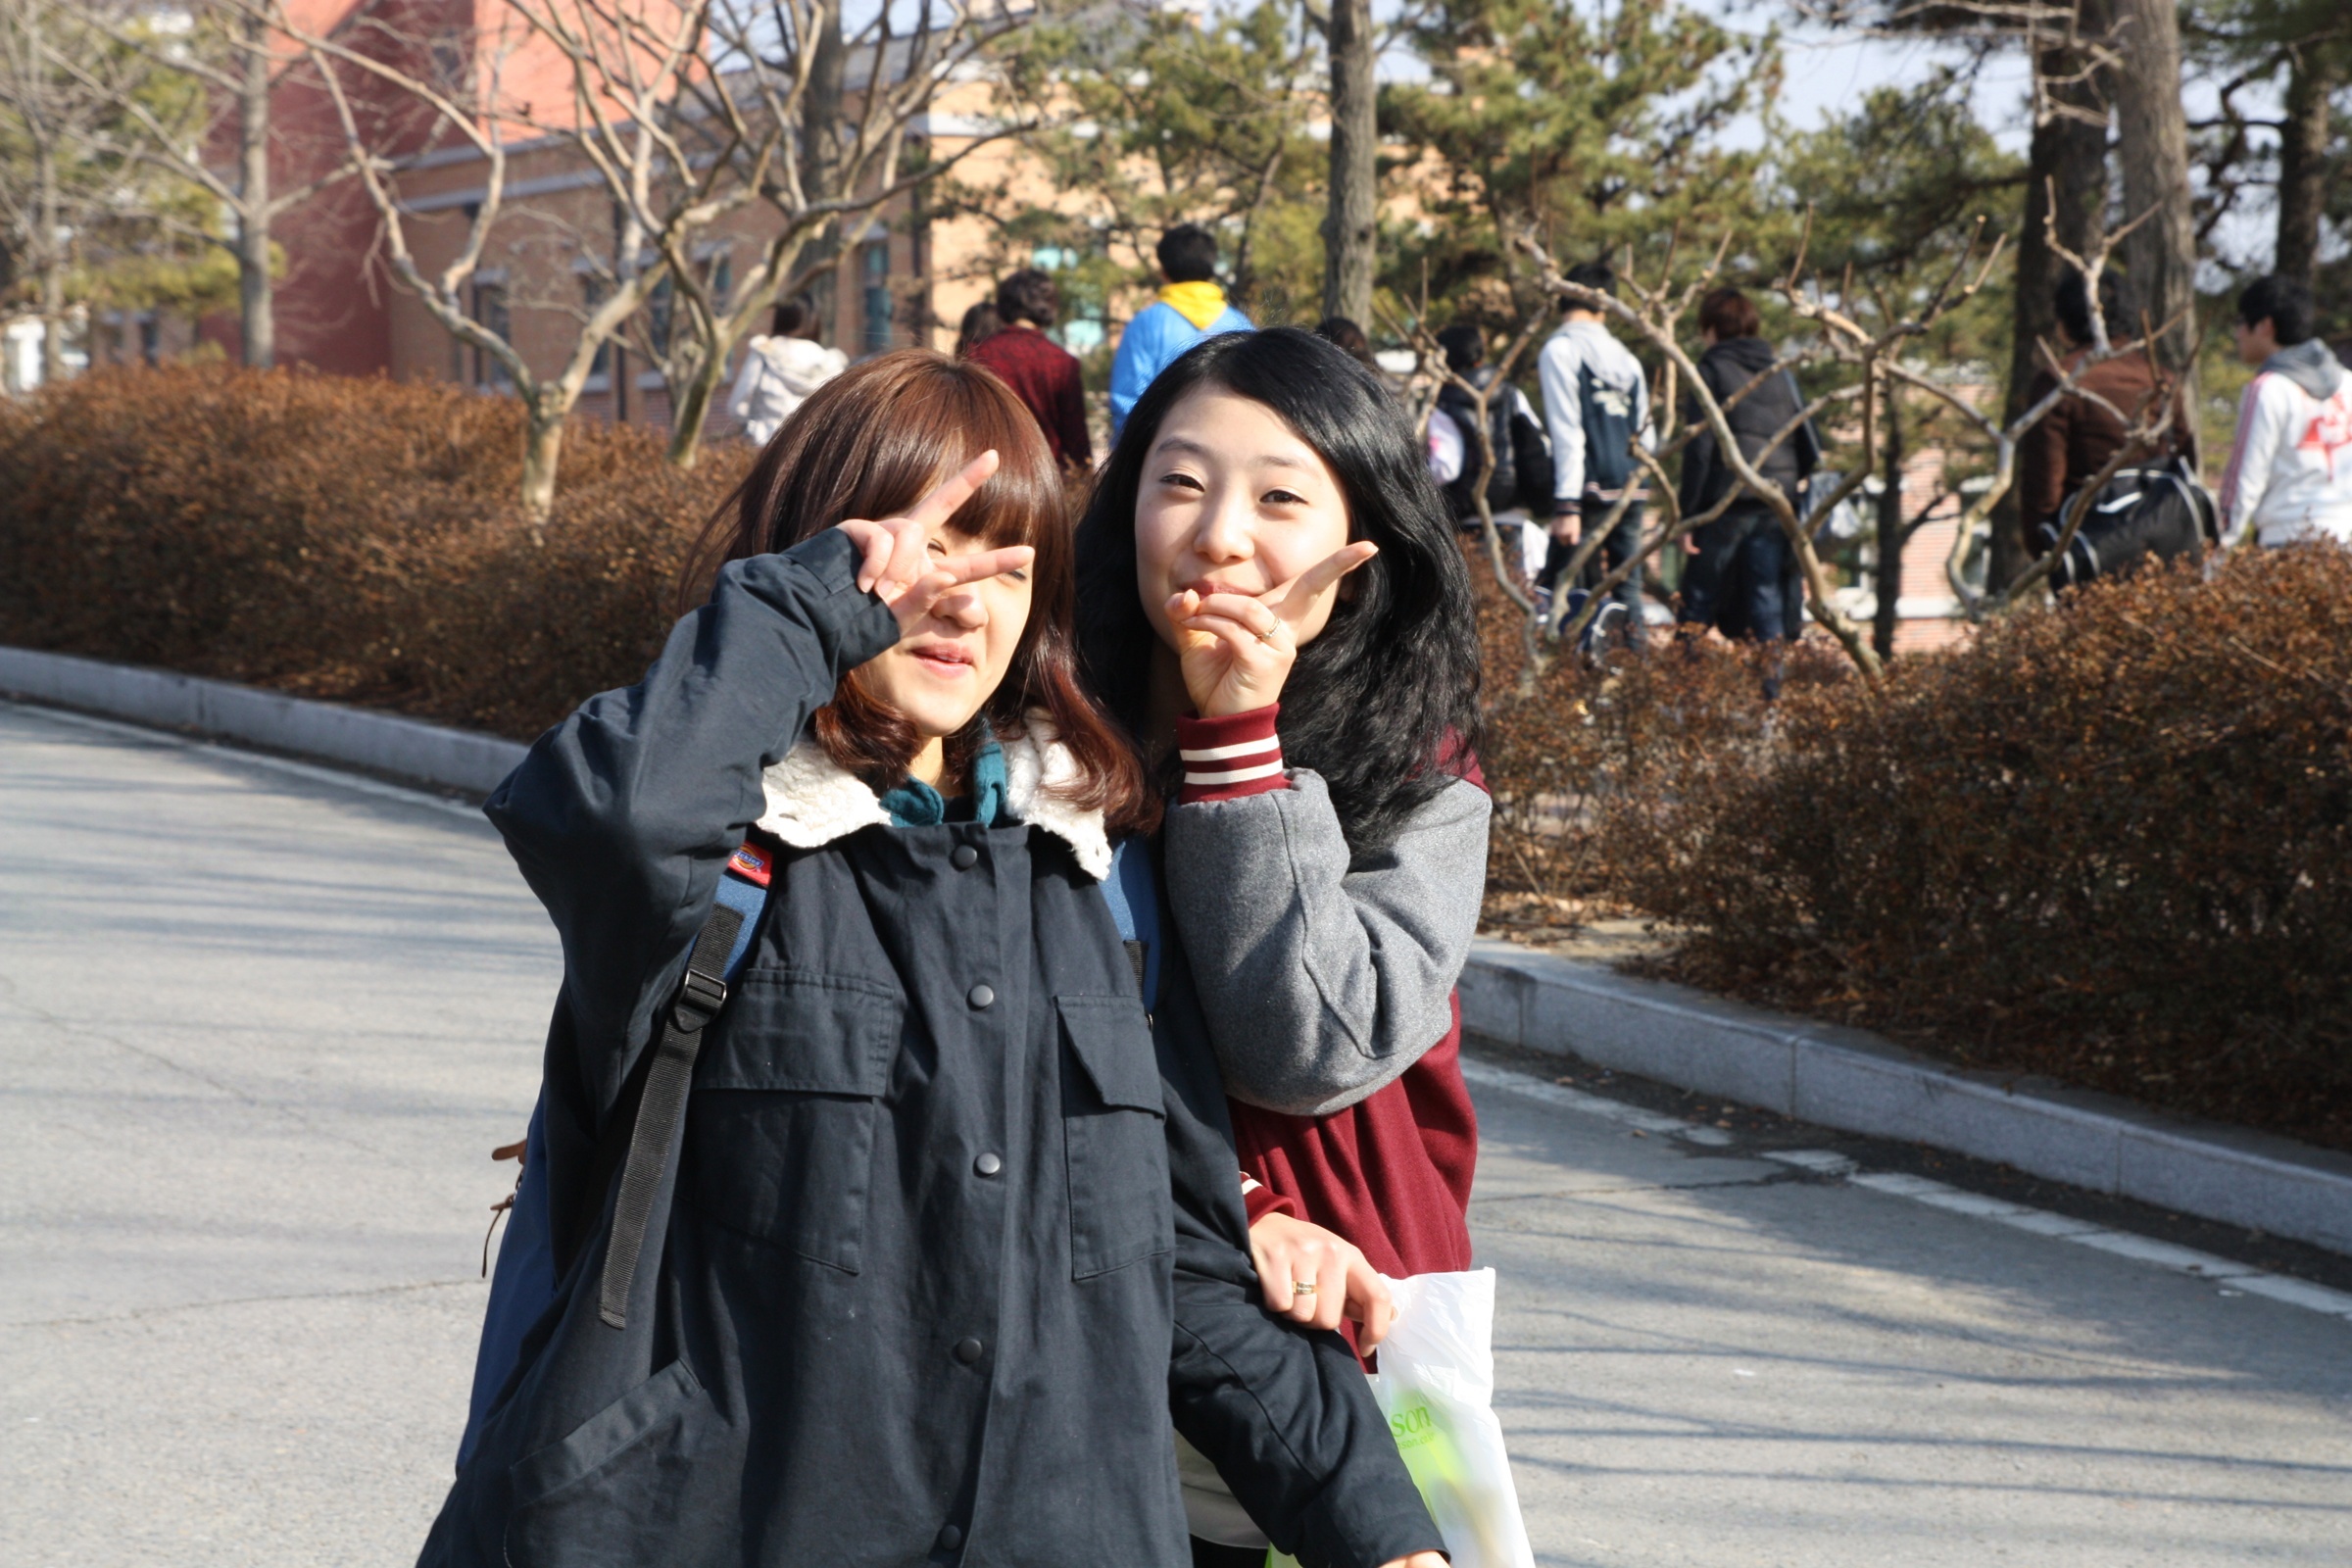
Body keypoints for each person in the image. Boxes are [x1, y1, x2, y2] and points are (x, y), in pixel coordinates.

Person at [421, 349, 1446, 1568]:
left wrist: (1385, 1533)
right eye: (918, 552)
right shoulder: (729, 858)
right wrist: (807, 609)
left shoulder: (1087, 874)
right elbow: (613, 817)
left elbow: (1175, 1260)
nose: (961, 598)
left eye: (1005, 558)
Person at [1076, 327, 1491, 1568]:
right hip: (1094, 1309)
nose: (1218, 535)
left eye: (1278, 498)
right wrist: (1225, 1206)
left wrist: (1239, 744)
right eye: (1180, 482)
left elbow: (1308, 1047)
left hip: (1330, 1342)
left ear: (1361, 547)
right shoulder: (1051, 737)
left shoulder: (1424, 784)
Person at [1676, 285, 1819, 644]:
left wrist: (1688, 516)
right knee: (1766, 600)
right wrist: (1785, 482)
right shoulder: (1779, 372)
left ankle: (1681, 674)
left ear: (1711, 328)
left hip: (1725, 502)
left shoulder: (1709, 371)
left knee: (1698, 601)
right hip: (1775, 502)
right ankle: (1773, 679)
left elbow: (1699, 450)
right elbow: (1808, 442)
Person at [2018, 270, 2195, 537]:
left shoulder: (2060, 381)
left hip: (2089, 541)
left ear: (2064, 321)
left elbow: (2044, 485)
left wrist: (2046, 547)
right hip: (2162, 539)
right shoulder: (2161, 380)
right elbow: (2185, 463)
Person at [1537, 261, 1651, 642]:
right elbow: (1646, 432)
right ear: (1605, 305)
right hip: (1632, 484)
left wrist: (1566, 504)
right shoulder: (1628, 359)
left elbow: (1567, 430)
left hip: (1587, 489)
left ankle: (1564, 668)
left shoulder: (1561, 350)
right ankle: (1636, 666)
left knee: (1561, 590)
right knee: (1627, 589)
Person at [2218, 273, 2352, 550]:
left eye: (2241, 322)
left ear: (2265, 325)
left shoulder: (2267, 388)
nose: (2237, 334)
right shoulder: (2347, 383)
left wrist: (2219, 547)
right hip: (2345, 542)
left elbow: (2244, 481)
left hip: (2286, 543)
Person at [1426, 323, 1552, 580]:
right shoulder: (1510, 393)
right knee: (1513, 594)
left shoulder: (1444, 403)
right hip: (1515, 516)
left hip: (1470, 523)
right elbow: (1537, 442)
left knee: (1478, 597)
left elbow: (1446, 467)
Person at [1108, 223, 1253, 437]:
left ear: (1164, 272)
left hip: (1166, 450)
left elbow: (1127, 402)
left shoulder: (1144, 324)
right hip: (1233, 445)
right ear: (1211, 270)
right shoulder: (1242, 325)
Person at [964, 269, 1093, 469]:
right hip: (1047, 473)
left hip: (990, 473)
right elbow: (1075, 435)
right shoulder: (1063, 362)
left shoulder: (978, 355)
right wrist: (1084, 473)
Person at [726, 296, 848, 446]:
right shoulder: (830, 363)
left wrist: (750, 426)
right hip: (812, 446)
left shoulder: (764, 352)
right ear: (815, 321)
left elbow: (738, 404)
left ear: (781, 319)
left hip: (765, 441)